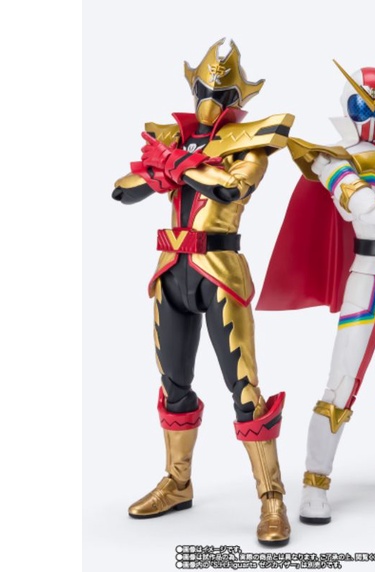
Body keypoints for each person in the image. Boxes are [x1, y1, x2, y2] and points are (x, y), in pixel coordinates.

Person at [112, 39, 294, 545]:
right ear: (191, 88)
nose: (211, 100)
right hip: (172, 272)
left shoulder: (250, 144)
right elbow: (122, 189)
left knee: (245, 388)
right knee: (174, 383)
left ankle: (272, 497)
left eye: (224, 93)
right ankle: (177, 483)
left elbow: (230, 189)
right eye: (204, 90)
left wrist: (176, 164)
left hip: (220, 272)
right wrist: (171, 161)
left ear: (241, 97)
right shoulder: (174, 138)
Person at [257, 61, 375, 524]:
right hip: (369, 280)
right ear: (348, 106)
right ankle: (314, 482)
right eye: (364, 106)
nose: (374, 116)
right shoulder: (334, 160)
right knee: (342, 384)